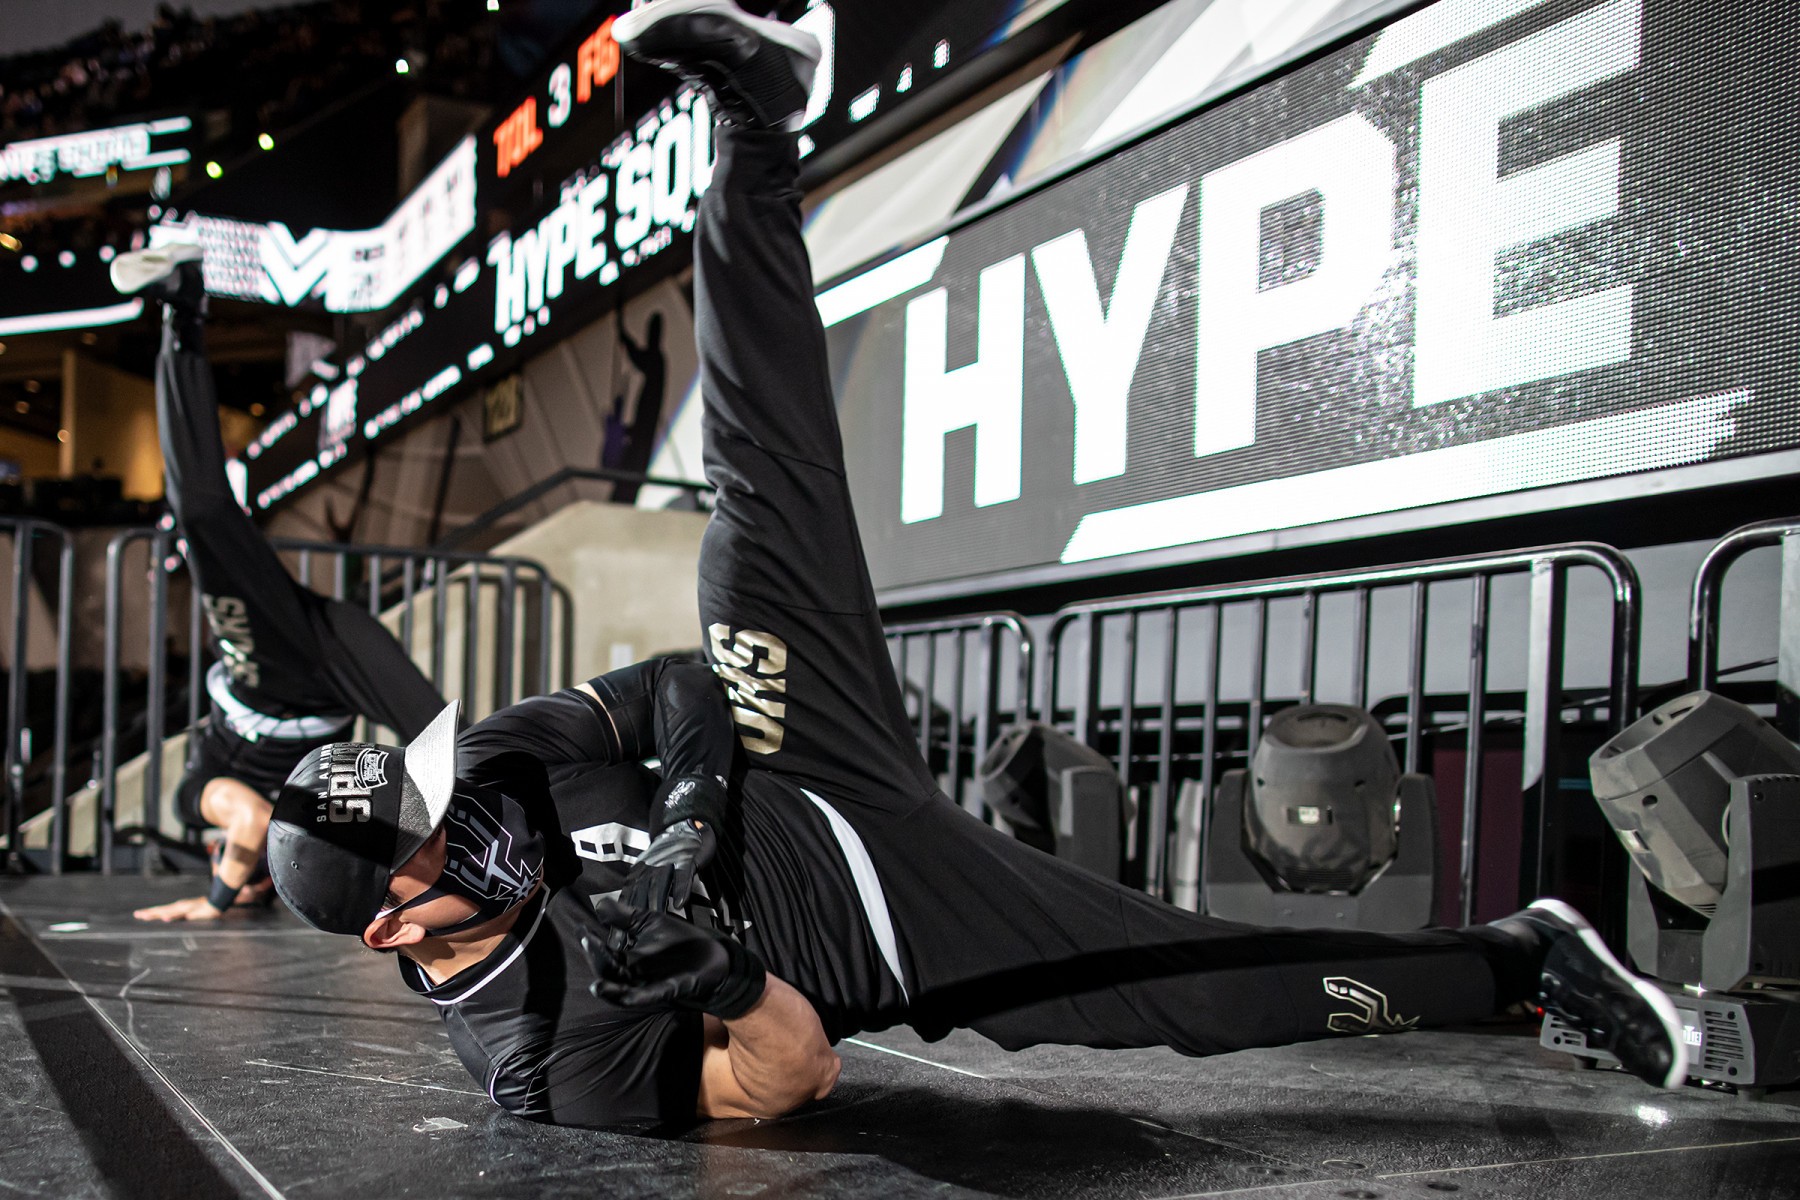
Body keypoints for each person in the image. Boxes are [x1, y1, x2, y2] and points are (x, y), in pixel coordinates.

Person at [264, 0, 1685, 1129]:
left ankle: (753, 123)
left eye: (430, 783)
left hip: (791, 747)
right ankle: (1526, 956)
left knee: (755, 501)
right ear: (395, 922)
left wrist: (691, 826)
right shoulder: (536, 1059)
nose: (465, 802)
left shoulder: (491, 768)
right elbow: (790, 1080)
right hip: (909, 926)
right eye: (432, 833)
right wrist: (736, 979)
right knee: (1213, 996)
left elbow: (681, 688)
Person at [109, 245, 448, 922]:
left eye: (235, 869)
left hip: (269, 658)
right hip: (321, 663)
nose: (239, 868)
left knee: (202, 510)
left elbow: (249, 819)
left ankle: (183, 306)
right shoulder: (302, 821)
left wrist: (216, 900)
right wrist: (225, 898)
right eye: (254, 878)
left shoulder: (194, 798)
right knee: (445, 743)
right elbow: (267, 826)